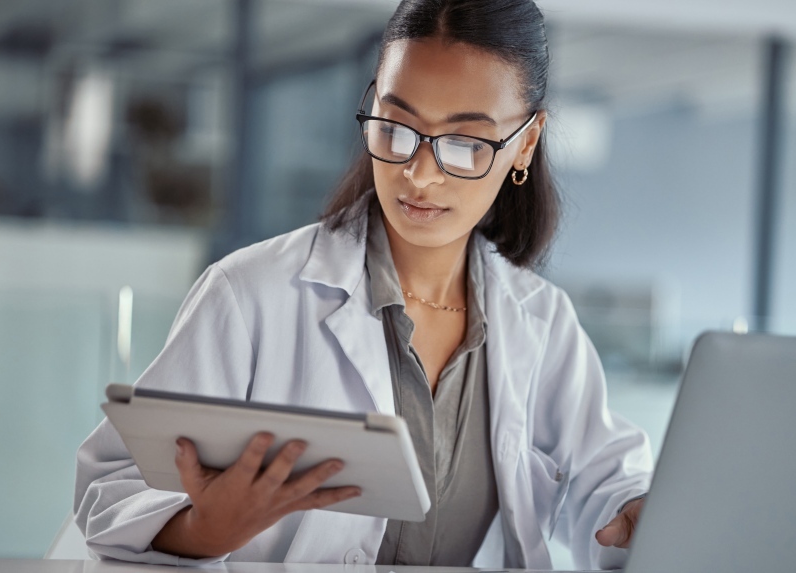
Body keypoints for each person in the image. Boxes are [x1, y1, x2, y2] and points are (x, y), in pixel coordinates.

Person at [74, 0, 652, 568]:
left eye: (465, 144)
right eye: (397, 127)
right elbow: (112, 487)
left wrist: (636, 510)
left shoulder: (542, 322)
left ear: (525, 142)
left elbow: (604, 481)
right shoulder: (249, 296)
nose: (419, 174)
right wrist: (203, 530)